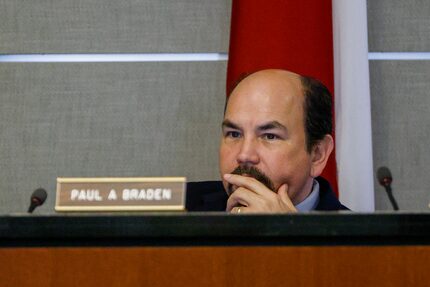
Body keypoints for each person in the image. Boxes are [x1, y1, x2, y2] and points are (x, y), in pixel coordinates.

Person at [186, 69, 348, 212]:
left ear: (317, 154)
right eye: (234, 134)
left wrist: (289, 237)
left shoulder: (361, 242)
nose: (245, 155)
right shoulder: (181, 209)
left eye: (270, 136)